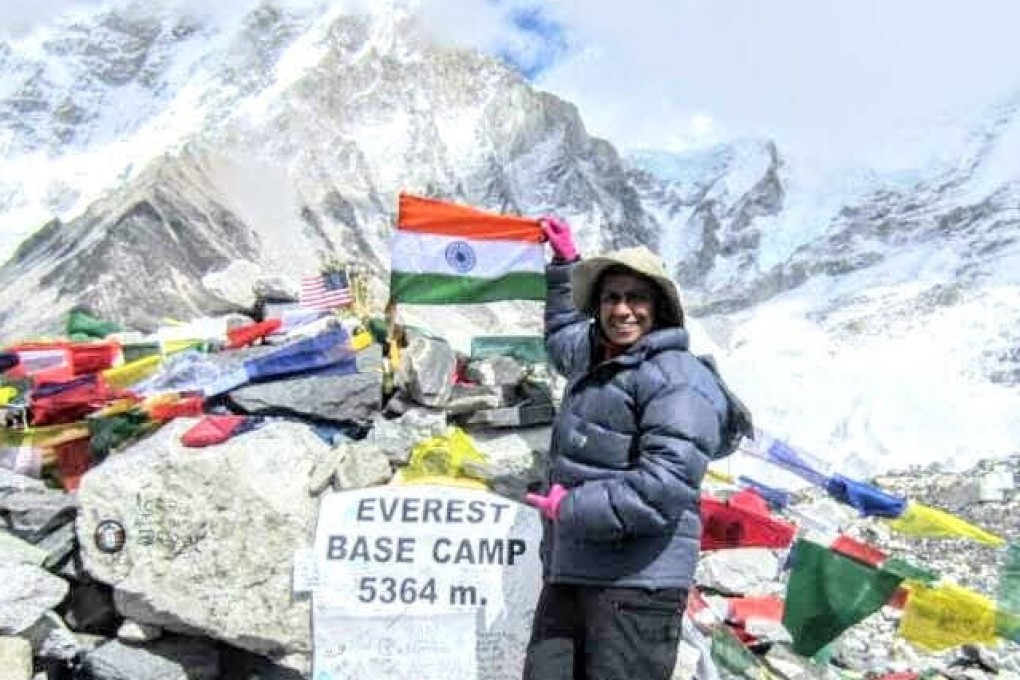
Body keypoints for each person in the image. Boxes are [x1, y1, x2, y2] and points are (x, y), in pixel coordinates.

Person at [522, 216, 735, 680]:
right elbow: (562, 343)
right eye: (610, 297)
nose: (623, 310)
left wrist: (570, 507)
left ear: (659, 308)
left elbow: (665, 486)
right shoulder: (600, 359)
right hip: (574, 571)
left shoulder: (677, 376)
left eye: (636, 298)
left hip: (639, 586)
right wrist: (564, 266)